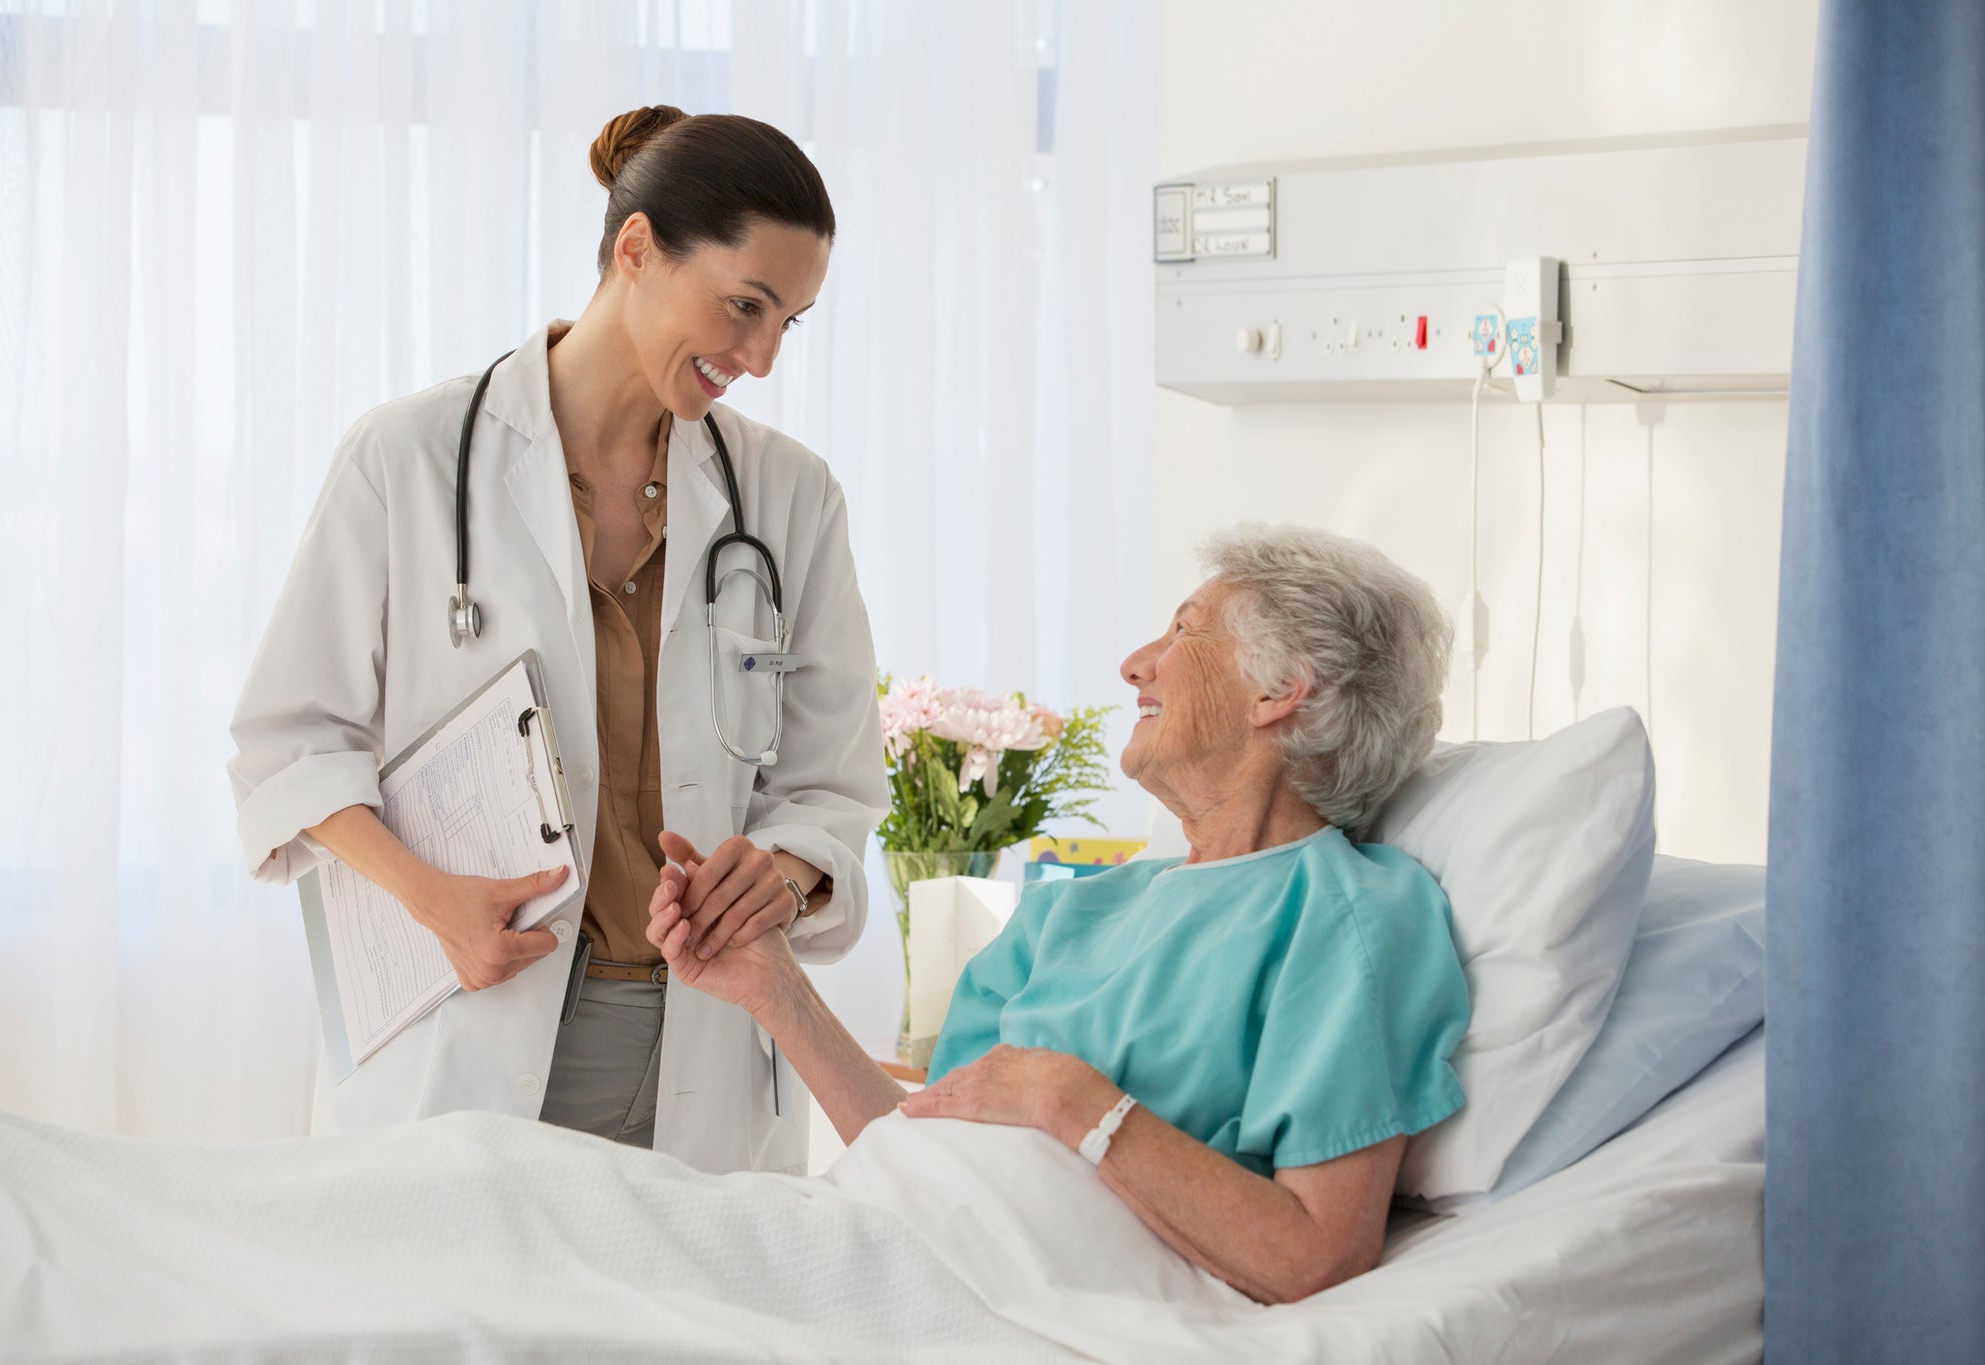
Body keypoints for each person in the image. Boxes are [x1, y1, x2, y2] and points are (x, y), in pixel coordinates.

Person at [228, 106, 885, 1175]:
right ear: (636, 251)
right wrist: (429, 897)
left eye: (788, 323)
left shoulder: (788, 497)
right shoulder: (408, 459)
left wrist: (785, 872)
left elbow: (834, 788)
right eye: (743, 307)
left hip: (702, 1044)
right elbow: (291, 745)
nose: (760, 357)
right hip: (472, 1026)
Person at [649, 523, 1471, 1304]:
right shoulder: (1076, 909)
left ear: (1280, 689)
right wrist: (773, 986)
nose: (1134, 664)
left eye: (1184, 632)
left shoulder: (1350, 915)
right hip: (883, 1242)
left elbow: (1316, 1254)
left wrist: (1074, 1099)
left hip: (1013, 1294)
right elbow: (923, 1145)